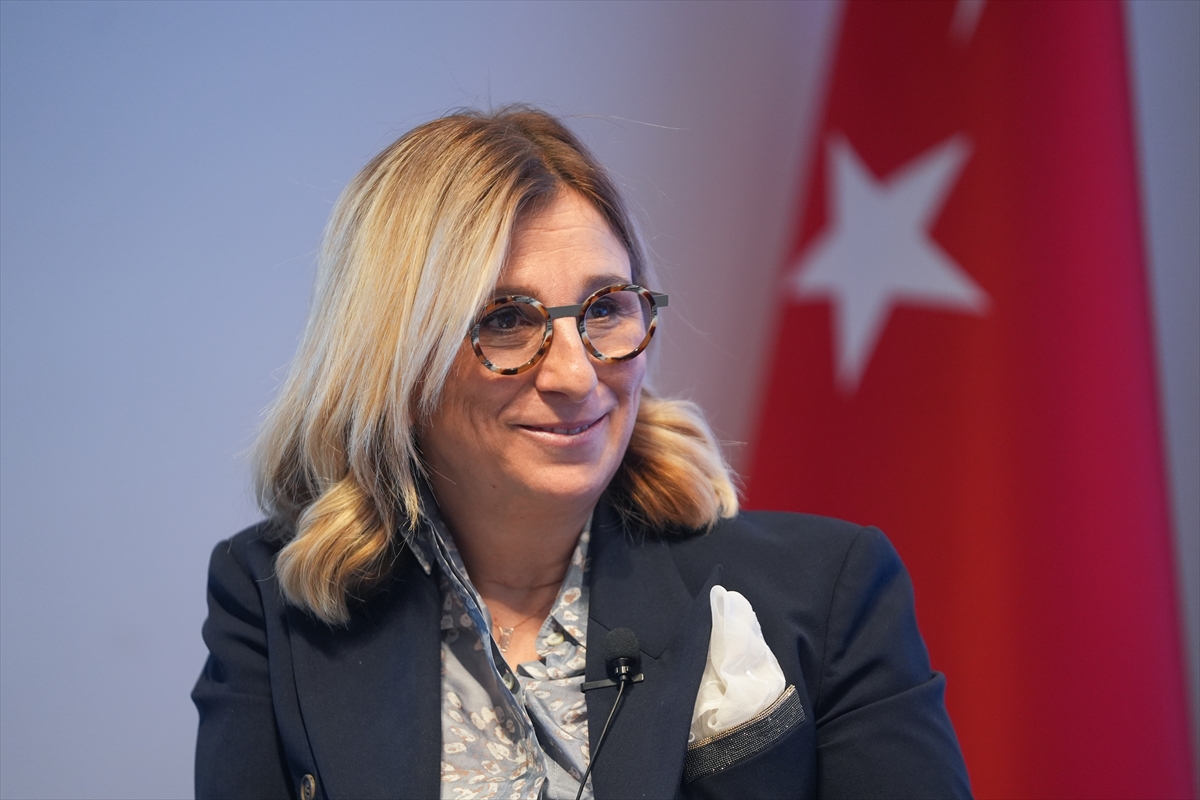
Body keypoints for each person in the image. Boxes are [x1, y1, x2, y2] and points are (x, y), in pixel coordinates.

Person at [192, 106, 972, 800]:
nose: (575, 374)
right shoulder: (270, 603)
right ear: (392, 360)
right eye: (505, 320)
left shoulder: (827, 589)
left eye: (604, 309)